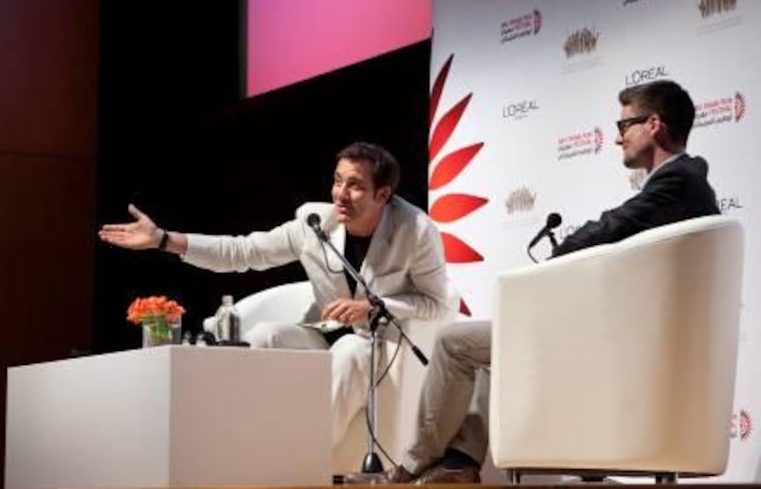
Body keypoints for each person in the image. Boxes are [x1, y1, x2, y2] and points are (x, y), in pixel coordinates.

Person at [350, 79, 720, 484]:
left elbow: (613, 225)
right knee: (493, 347)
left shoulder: (678, 180)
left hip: (624, 343)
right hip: (631, 337)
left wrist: (558, 257)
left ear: (653, 124)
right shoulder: (689, 183)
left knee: (454, 343)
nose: (617, 139)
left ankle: (409, 469)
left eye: (622, 127)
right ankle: (459, 464)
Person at [98, 141, 455, 448]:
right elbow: (242, 252)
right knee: (264, 335)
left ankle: (306, 459)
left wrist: (374, 308)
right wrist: (164, 239)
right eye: (337, 181)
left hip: (376, 341)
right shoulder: (316, 224)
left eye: (355, 186)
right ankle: (237, 439)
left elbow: (437, 302)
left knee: (349, 351)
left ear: (383, 195)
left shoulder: (416, 231)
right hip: (324, 330)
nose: (340, 194)